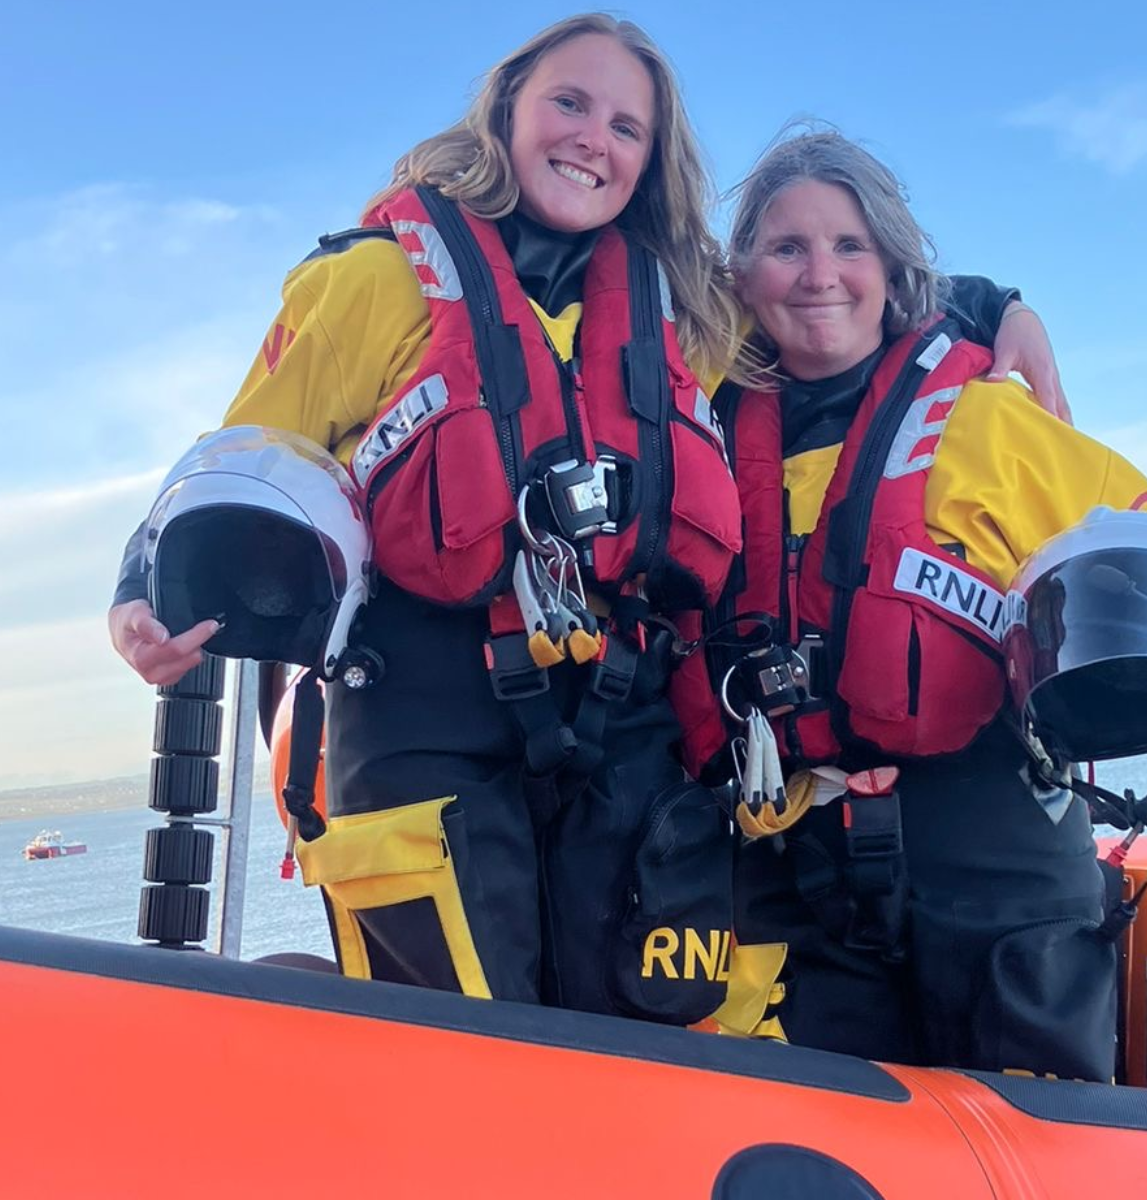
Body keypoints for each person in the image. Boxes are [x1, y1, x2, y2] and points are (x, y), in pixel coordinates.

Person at [106, 20, 1069, 1023]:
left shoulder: (686, 306)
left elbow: (826, 298)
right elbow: (240, 459)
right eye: (569, 103)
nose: (592, 140)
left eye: (626, 126)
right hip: (420, 727)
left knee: (653, 1037)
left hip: (620, 735)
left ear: (651, 160)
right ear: (507, 110)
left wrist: (995, 306)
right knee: (466, 1062)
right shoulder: (369, 281)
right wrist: (139, 598)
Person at [683, 130, 1147, 1080]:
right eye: (787, 248)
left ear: (893, 267)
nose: (820, 274)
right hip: (796, 876)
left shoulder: (988, 415)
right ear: (743, 275)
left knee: (1043, 1147)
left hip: (998, 860)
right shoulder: (702, 424)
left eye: (849, 246)